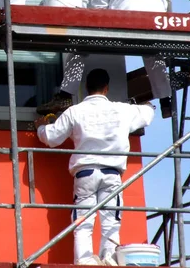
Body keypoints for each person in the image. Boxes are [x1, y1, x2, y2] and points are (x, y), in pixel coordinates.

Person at [37, 0, 173, 118]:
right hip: (156, 23)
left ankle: (64, 96)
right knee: (154, 56)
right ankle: (165, 101)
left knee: (80, 48)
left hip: (125, 24)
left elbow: (100, 5)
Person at [34, 68, 155, 265]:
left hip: (85, 173)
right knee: (111, 221)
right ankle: (108, 258)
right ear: (106, 88)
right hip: (112, 173)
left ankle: (84, 261)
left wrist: (40, 126)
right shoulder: (122, 110)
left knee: (83, 221)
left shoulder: (74, 111)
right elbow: (147, 114)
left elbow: (52, 137)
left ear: (85, 88)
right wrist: (148, 105)